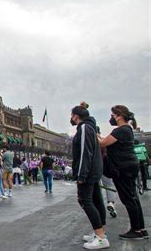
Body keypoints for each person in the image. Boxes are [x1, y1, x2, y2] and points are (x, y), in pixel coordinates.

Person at [98, 105, 147, 240]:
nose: (111, 117)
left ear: (119, 115)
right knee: (133, 198)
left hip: (122, 168)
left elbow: (103, 143)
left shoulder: (121, 130)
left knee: (128, 199)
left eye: (113, 115)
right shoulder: (127, 129)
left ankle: (136, 230)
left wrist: (93, 132)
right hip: (129, 166)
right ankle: (140, 229)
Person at [70, 102, 109, 249]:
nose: (71, 118)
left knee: (85, 201)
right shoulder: (89, 126)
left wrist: (81, 175)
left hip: (88, 172)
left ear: (76, 116)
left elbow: (84, 153)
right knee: (96, 200)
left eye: (72, 115)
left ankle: (100, 237)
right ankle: (100, 232)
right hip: (93, 170)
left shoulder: (85, 127)